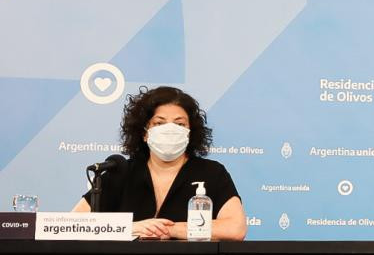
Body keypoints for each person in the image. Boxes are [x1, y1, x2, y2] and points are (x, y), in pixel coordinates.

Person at [71, 86, 247, 241]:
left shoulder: (211, 172)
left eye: (179, 124)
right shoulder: (122, 171)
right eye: (159, 123)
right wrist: (131, 228)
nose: (170, 130)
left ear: (190, 133)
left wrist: (172, 230)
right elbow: (74, 224)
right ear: (145, 133)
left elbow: (235, 228)